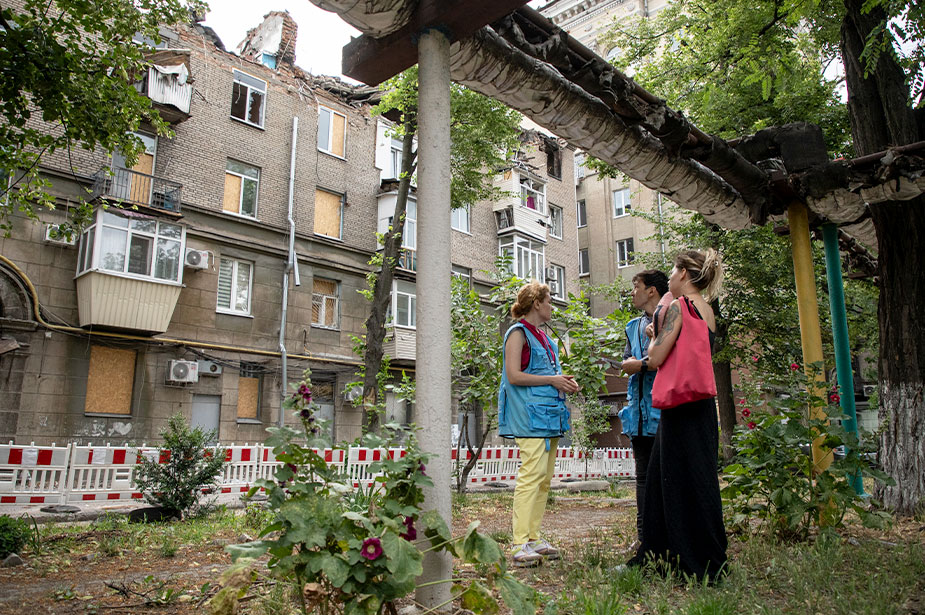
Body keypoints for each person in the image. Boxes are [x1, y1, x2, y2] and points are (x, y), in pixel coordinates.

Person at [626, 249, 728, 582]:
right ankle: (707, 559)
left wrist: (652, 343)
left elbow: (654, 360)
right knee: (699, 482)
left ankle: (662, 558)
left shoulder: (677, 307)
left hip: (678, 407)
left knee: (663, 484)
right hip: (702, 408)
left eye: (673, 269)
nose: (669, 275)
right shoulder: (708, 310)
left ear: (684, 273)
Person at [498, 280, 580, 567]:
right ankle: (519, 543)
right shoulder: (517, 333)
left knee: (543, 480)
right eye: (549, 300)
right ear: (536, 303)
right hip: (529, 418)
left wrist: (564, 380)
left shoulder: (545, 338)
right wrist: (552, 379)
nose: (552, 306)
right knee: (530, 477)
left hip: (549, 416)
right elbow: (513, 376)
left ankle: (533, 538)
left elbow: (546, 372)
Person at [618, 269, 669, 543]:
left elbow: (670, 362)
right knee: (642, 479)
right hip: (638, 416)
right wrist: (630, 364)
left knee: (667, 479)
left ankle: (669, 539)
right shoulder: (631, 326)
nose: (632, 291)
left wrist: (641, 364)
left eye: (636, 285)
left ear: (651, 290)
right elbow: (628, 359)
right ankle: (644, 541)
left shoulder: (671, 318)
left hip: (664, 414)